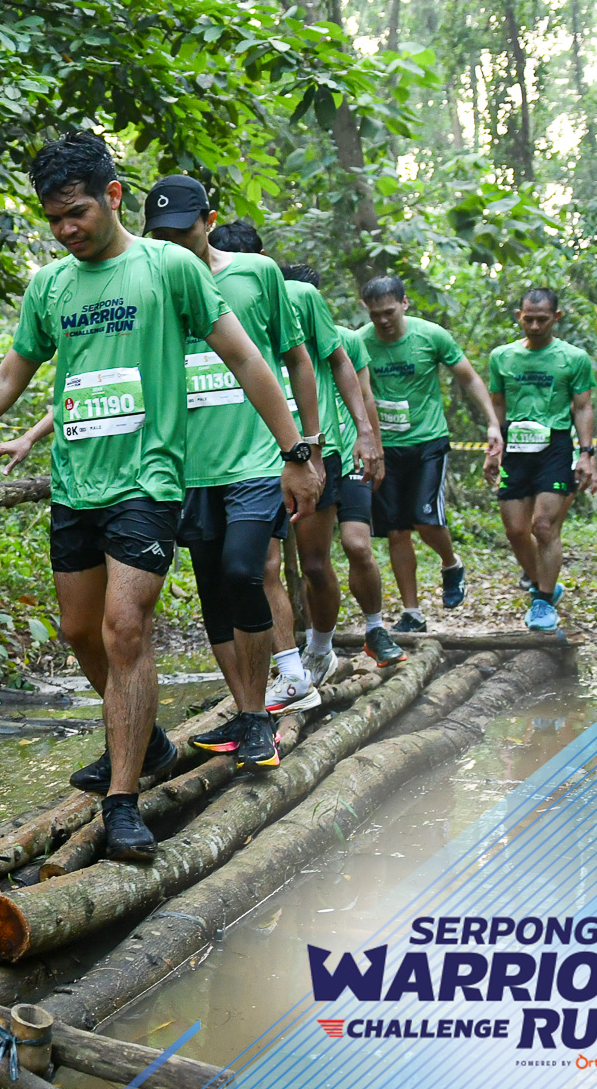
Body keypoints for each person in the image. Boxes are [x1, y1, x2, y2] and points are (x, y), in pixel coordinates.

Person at [0, 133, 321, 863]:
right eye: (54, 218)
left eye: (78, 212)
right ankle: (147, 742)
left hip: (148, 480)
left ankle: (123, 800)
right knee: (79, 631)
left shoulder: (169, 268)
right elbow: (9, 376)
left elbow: (245, 356)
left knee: (126, 630)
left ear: (113, 196)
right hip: (76, 483)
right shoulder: (50, 287)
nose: (66, 229)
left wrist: (296, 451)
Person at [139, 180, 328, 754]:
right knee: (213, 590)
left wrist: (308, 448)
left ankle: (260, 708)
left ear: (210, 221)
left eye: (183, 231)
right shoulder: (152, 285)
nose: (173, 243)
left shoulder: (256, 273)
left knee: (244, 569)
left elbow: (297, 359)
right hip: (189, 467)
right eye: (161, 235)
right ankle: (249, 715)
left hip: (255, 458)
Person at [355, 277, 503, 631]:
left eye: (389, 312)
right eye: (376, 315)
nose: (383, 320)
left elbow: (469, 378)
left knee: (425, 518)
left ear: (405, 303)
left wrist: (493, 423)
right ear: (366, 311)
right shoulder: (359, 342)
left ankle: (451, 563)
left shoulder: (431, 335)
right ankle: (412, 613)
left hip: (427, 441)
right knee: (396, 531)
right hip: (385, 447)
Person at [272, 260, 390, 679]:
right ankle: (309, 649)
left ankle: (373, 628)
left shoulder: (343, 342)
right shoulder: (262, 334)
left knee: (355, 545)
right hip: (289, 454)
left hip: (341, 452)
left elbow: (365, 394)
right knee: (301, 563)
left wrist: (371, 442)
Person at [487, 288, 596, 631]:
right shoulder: (502, 356)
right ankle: (542, 585)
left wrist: (587, 454)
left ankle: (543, 601)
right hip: (516, 447)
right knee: (516, 530)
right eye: (528, 319)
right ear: (519, 316)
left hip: (555, 445)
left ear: (556, 318)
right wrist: (494, 447)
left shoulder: (573, 358)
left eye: (542, 320)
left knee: (544, 527)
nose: (534, 326)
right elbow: (497, 403)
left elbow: (583, 407)